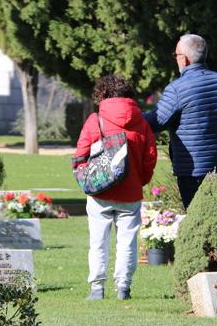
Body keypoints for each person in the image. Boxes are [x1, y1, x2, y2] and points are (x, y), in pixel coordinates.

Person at [73, 75, 157, 300]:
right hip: (130, 193)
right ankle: (123, 288)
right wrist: (140, 180)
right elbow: (150, 158)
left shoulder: (95, 120)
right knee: (127, 242)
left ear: (103, 94)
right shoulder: (142, 122)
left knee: (98, 242)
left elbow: (80, 155)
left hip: (100, 191)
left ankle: (97, 289)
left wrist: (85, 178)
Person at [144, 34, 217, 209]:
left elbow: (156, 122)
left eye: (176, 55)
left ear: (184, 59)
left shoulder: (177, 88)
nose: (176, 59)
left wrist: (130, 113)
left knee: (195, 220)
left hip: (191, 170)